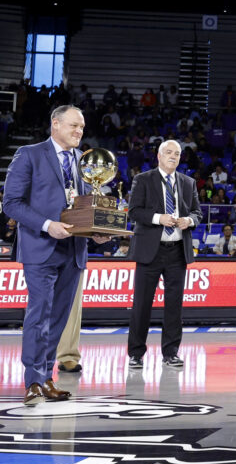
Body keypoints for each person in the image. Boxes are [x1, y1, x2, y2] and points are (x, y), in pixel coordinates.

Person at [2, 105, 110, 403]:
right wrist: (48, 225)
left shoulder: (84, 162)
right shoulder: (29, 154)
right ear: (55, 124)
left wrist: (97, 231)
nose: (79, 131)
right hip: (41, 247)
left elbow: (85, 206)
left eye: (82, 127)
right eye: (74, 126)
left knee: (60, 319)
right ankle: (33, 382)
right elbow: (11, 203)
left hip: (74, 250)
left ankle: (46, 378)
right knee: (40, 315)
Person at [126, 140, 203, 370]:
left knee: (174, 306)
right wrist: (159, 218)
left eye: (177, 154)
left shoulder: (188, 183)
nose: (173, 156)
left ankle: (171, 353)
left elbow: (198, 212)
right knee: (142, 305)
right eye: (168, 152)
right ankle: (136, 354)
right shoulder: (143, 179)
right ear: (158, 156)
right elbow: (133, 212)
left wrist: (188, 220)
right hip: (150, 251)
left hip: (177, 251)